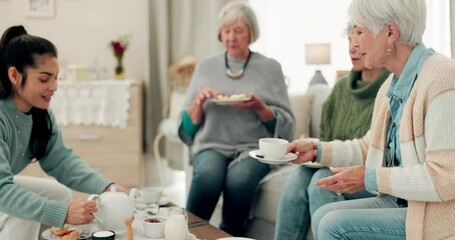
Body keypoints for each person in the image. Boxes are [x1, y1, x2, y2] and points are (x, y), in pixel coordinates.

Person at [287, 0, 455, 239]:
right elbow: (369, 148)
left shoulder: (442, 78)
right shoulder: (391, 85)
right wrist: (315, 150)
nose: (353, 43)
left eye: (359, 31)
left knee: (333, 224)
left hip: (440, 216)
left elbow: (445, 177)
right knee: (324, 215)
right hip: (404, 204)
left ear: (390, 32)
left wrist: (368, 177)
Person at [178, 1, 295, 236]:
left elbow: (286, 125)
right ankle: (189, 232)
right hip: (212, 144)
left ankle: (229, 235)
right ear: (220, 33)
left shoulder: (270, 68)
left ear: (251, 32)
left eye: (238, 30)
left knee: (239, 181)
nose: (231, 37)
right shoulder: (206, 67)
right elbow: (187, 127)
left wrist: (259, 107)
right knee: (208, 176)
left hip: (252, 148)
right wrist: (199, 102)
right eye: (226, 30)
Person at [0, 25, 128, 239]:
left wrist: (106, 186)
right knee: (22, 205)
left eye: (56, 78)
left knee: (59, 194)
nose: (54, 87)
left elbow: (61, 161)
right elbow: (2, 192)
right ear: (14, 75)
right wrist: (63, 212)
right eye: (44, 79)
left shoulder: (40, 114)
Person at [274, 25, 390, 240]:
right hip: (333, 162)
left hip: (367, 175)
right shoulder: (340, 88)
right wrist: (312, 145)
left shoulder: (389, 88)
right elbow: (326, 141)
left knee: (323, 179)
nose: (352, 48)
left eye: (359, 38)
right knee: (300, 174)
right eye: (349, 40)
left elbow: (375, 151)